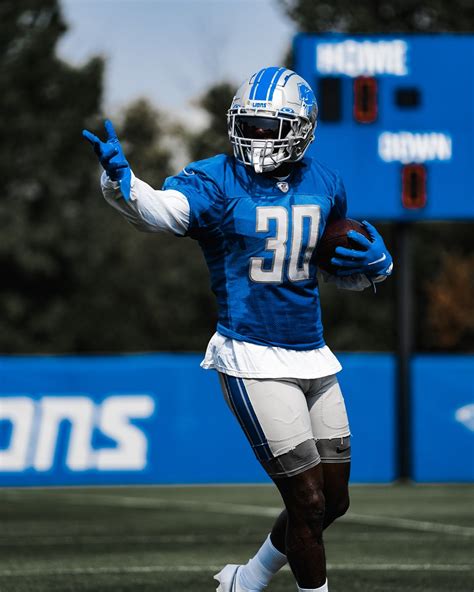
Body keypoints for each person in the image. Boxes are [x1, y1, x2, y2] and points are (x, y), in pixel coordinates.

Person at [83, 66, 393, 592]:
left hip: (313, 352)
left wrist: (376, 267)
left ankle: (245, 581)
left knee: (333, 500)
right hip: (252, 356)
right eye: (247, 124)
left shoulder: (325, 182)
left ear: (301, 129)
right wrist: (123, 182)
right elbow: (162, 212)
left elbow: (334, 267)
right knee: (307, 501)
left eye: (269, 126)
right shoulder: (215, 178)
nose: (255, 136)